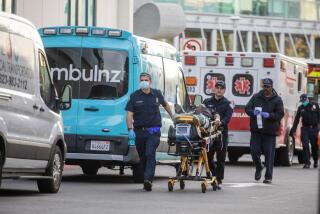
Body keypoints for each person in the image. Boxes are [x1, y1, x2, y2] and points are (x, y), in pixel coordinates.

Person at [125, 72, 173, 191]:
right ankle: (147, 176)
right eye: (142, 80)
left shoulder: (156, 94)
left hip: (154, 131)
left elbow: (165, 104)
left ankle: (148, 180)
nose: (144, 82)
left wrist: (173, 116)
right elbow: (129, 114)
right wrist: (130, 129)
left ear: (150, 82)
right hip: (139, 132)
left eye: (146, 80)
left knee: (150, 153)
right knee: (143, 157)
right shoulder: (134, 96)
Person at [245, 78, 284, 184]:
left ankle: (268, 177)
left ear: (271, 87)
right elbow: (247, 108)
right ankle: (259, 167)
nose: (266, 89)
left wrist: (269, 115)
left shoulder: (277, 99)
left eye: (268, 87)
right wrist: (253, 112)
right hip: (256, 130)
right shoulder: (256, 96)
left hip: (270, 132)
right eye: (264, 86)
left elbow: (280, 114)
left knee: (269, 155)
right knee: (254, 151)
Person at [203, 80, 233, 185]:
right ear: (214, 89)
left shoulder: (228, 104)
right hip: (209, 134)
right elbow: (202, 113)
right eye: (218, 87)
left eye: (222, 88)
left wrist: (220, 123)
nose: (219, 90)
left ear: (224, 90)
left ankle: (219, 180)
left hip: (221, 133)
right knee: (208, 156)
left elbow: (228, 118)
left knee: (221, 158)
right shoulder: (206, 102)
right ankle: (214, 174)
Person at [290, 94, 319, 168]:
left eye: (304, 101)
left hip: (314, 128)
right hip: (305, 129)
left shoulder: (315, 105)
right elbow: (297, 119)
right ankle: (307, 162)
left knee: (314, 146)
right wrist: (293, 129)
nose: (303, 102)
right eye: (302, 101)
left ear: (307, 99)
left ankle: (315, 161)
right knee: (305, 145)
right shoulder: (301, 108)